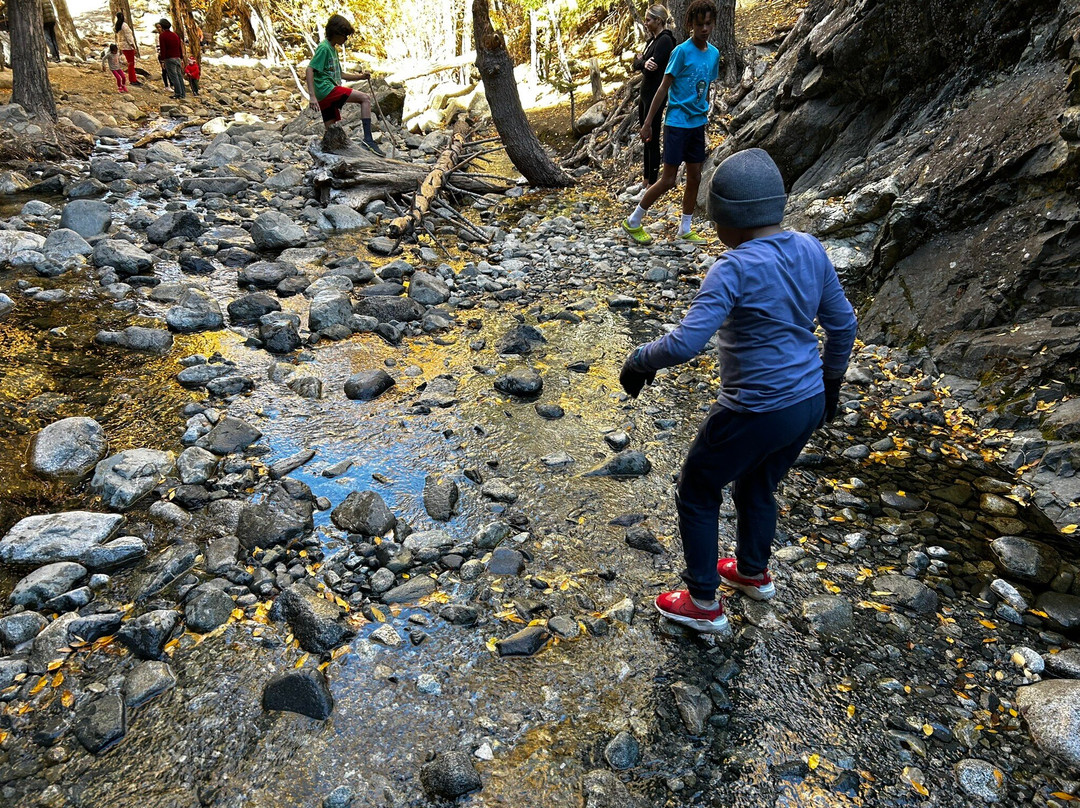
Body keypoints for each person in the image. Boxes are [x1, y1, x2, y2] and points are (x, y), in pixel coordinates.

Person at [619, 148, 858, 633]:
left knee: (699, 488)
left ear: (730, 219)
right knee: (758, 483)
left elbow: (686, 342)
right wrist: (830, 385)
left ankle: (703, 601)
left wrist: (640, 359)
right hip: (807, 402)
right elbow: (844, 324)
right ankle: (752, 571)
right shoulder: (811, 248)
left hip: (755, 408)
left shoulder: (732, 267)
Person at [622, 0, 721, 246]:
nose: (705, 29)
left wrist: (704, 112)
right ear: (690, 25)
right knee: (668, 179)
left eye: (709, 24)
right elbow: (663, 87)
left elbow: (706, 87)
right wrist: (647, 123)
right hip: (676, 123)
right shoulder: (680, 52)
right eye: (700, 24)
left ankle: (685, 229)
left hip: (697, 124)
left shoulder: (714, 54)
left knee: (696, 176)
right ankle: (634, 221)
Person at [305, 14, 383, 155]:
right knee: (365, 98)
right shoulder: (324, 48)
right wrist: (312, 96)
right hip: (326, 89)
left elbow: (340, 75)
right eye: (345, 36)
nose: (346, 39)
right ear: (336, 33)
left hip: (326, 92)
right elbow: (310, 69)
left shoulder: (333, 49)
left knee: (332, 130)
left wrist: (360, 77)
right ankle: (368, 139)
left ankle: (328, 155)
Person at [632, 5, 675, 188]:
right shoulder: (652, 41)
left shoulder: (665, 40)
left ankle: (652, 184)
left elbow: (652, 68)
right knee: (645, 137)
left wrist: (641, 62)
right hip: (645, 94)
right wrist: (642, 62)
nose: (646, 22)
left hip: (655, 94)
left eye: (649, 19)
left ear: (658, 20)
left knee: (652, 136)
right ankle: (645, 180)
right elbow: (637, 63)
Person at [157, 18, 185, 100]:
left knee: (174, 76)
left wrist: (162, 60)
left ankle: (177, 93)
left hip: (169, 58)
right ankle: (182, 93)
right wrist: (182, 58)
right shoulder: (175, 35)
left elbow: (163, 49)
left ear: (162, 27)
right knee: (179, 75)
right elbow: (180, 47)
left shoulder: (162, 36)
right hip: (177, 57)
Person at [115, 12, 140, 87]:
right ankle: (132, 79)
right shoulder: (124, 26)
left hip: (122, 46)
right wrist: (133, 46)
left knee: (130, 63)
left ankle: (133, 78)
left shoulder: (117, 26)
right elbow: (128, 37)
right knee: (131, 63)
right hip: (128, 46)